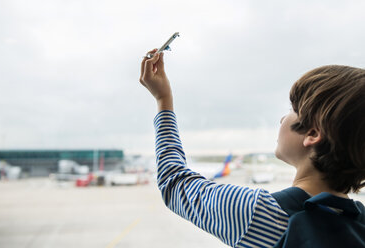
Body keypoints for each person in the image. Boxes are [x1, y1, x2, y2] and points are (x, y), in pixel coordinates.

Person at [139, 48, 365, 247]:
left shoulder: (260, 213)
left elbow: (174, 181)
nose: (282, 118)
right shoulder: (359, 223)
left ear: (313, 134)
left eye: (293, 108)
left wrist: (163, 99)